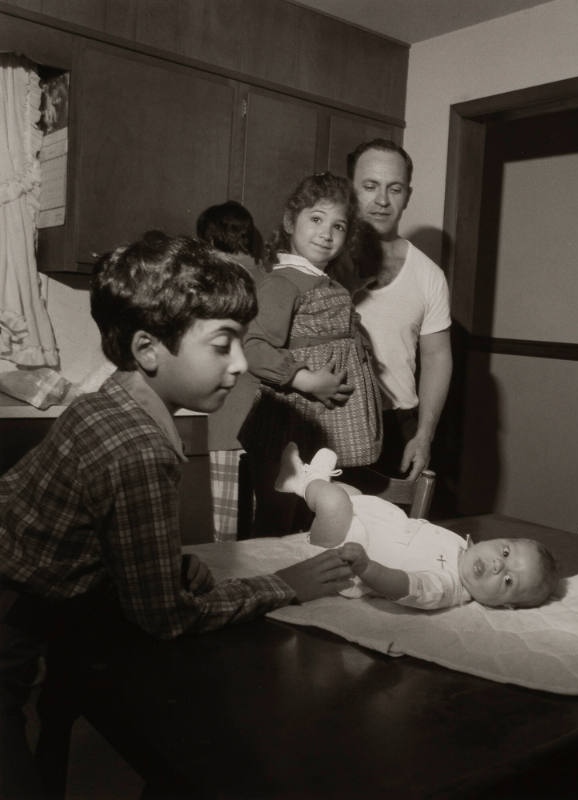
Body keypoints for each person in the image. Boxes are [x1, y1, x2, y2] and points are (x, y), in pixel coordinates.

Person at [0, 232, 353, 798]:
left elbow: (87, 539)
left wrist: (157, 569)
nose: (240, 363)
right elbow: (164, 618)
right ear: (147, 349)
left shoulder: (106, 403)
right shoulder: (140, 448)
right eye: (222, 344)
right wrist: (283, 584)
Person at [238, 172, 382, 536]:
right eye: (316, 219)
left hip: (318, 431)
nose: (326, 233)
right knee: (278, 523)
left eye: (338, 226)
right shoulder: (283, 282)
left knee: (309, 523)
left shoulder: (323, 281)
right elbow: (251, 348)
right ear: (290, 222)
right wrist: (306, 379)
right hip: (287, 427)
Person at [275, 443, 559, 610]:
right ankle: (313, 484)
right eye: (506, 553)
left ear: (504, 606)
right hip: (367, 521)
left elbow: (404, 586)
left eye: (508, 581)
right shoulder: (462, 546)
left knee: (335, 502)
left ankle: (303, 482)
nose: (498, 565)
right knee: (353, 497)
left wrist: (366, 567)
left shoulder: (448, 586)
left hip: (343, 556)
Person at [347, 139, 453, 481]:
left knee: (391, 531)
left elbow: (437, 357)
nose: (382, 200)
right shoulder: (323, 258)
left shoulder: (429, 275)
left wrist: (424, 435)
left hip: (397, 426)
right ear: (350, 189)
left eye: (394, 188)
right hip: (329, 418)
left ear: (407, 195)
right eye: (370, 186)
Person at [196, 200, 265, 541]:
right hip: (267, 431)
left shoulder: (214, 287)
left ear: (207, 243)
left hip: (225, 427)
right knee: (261, 537)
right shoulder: (269, 281)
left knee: (225, 544)